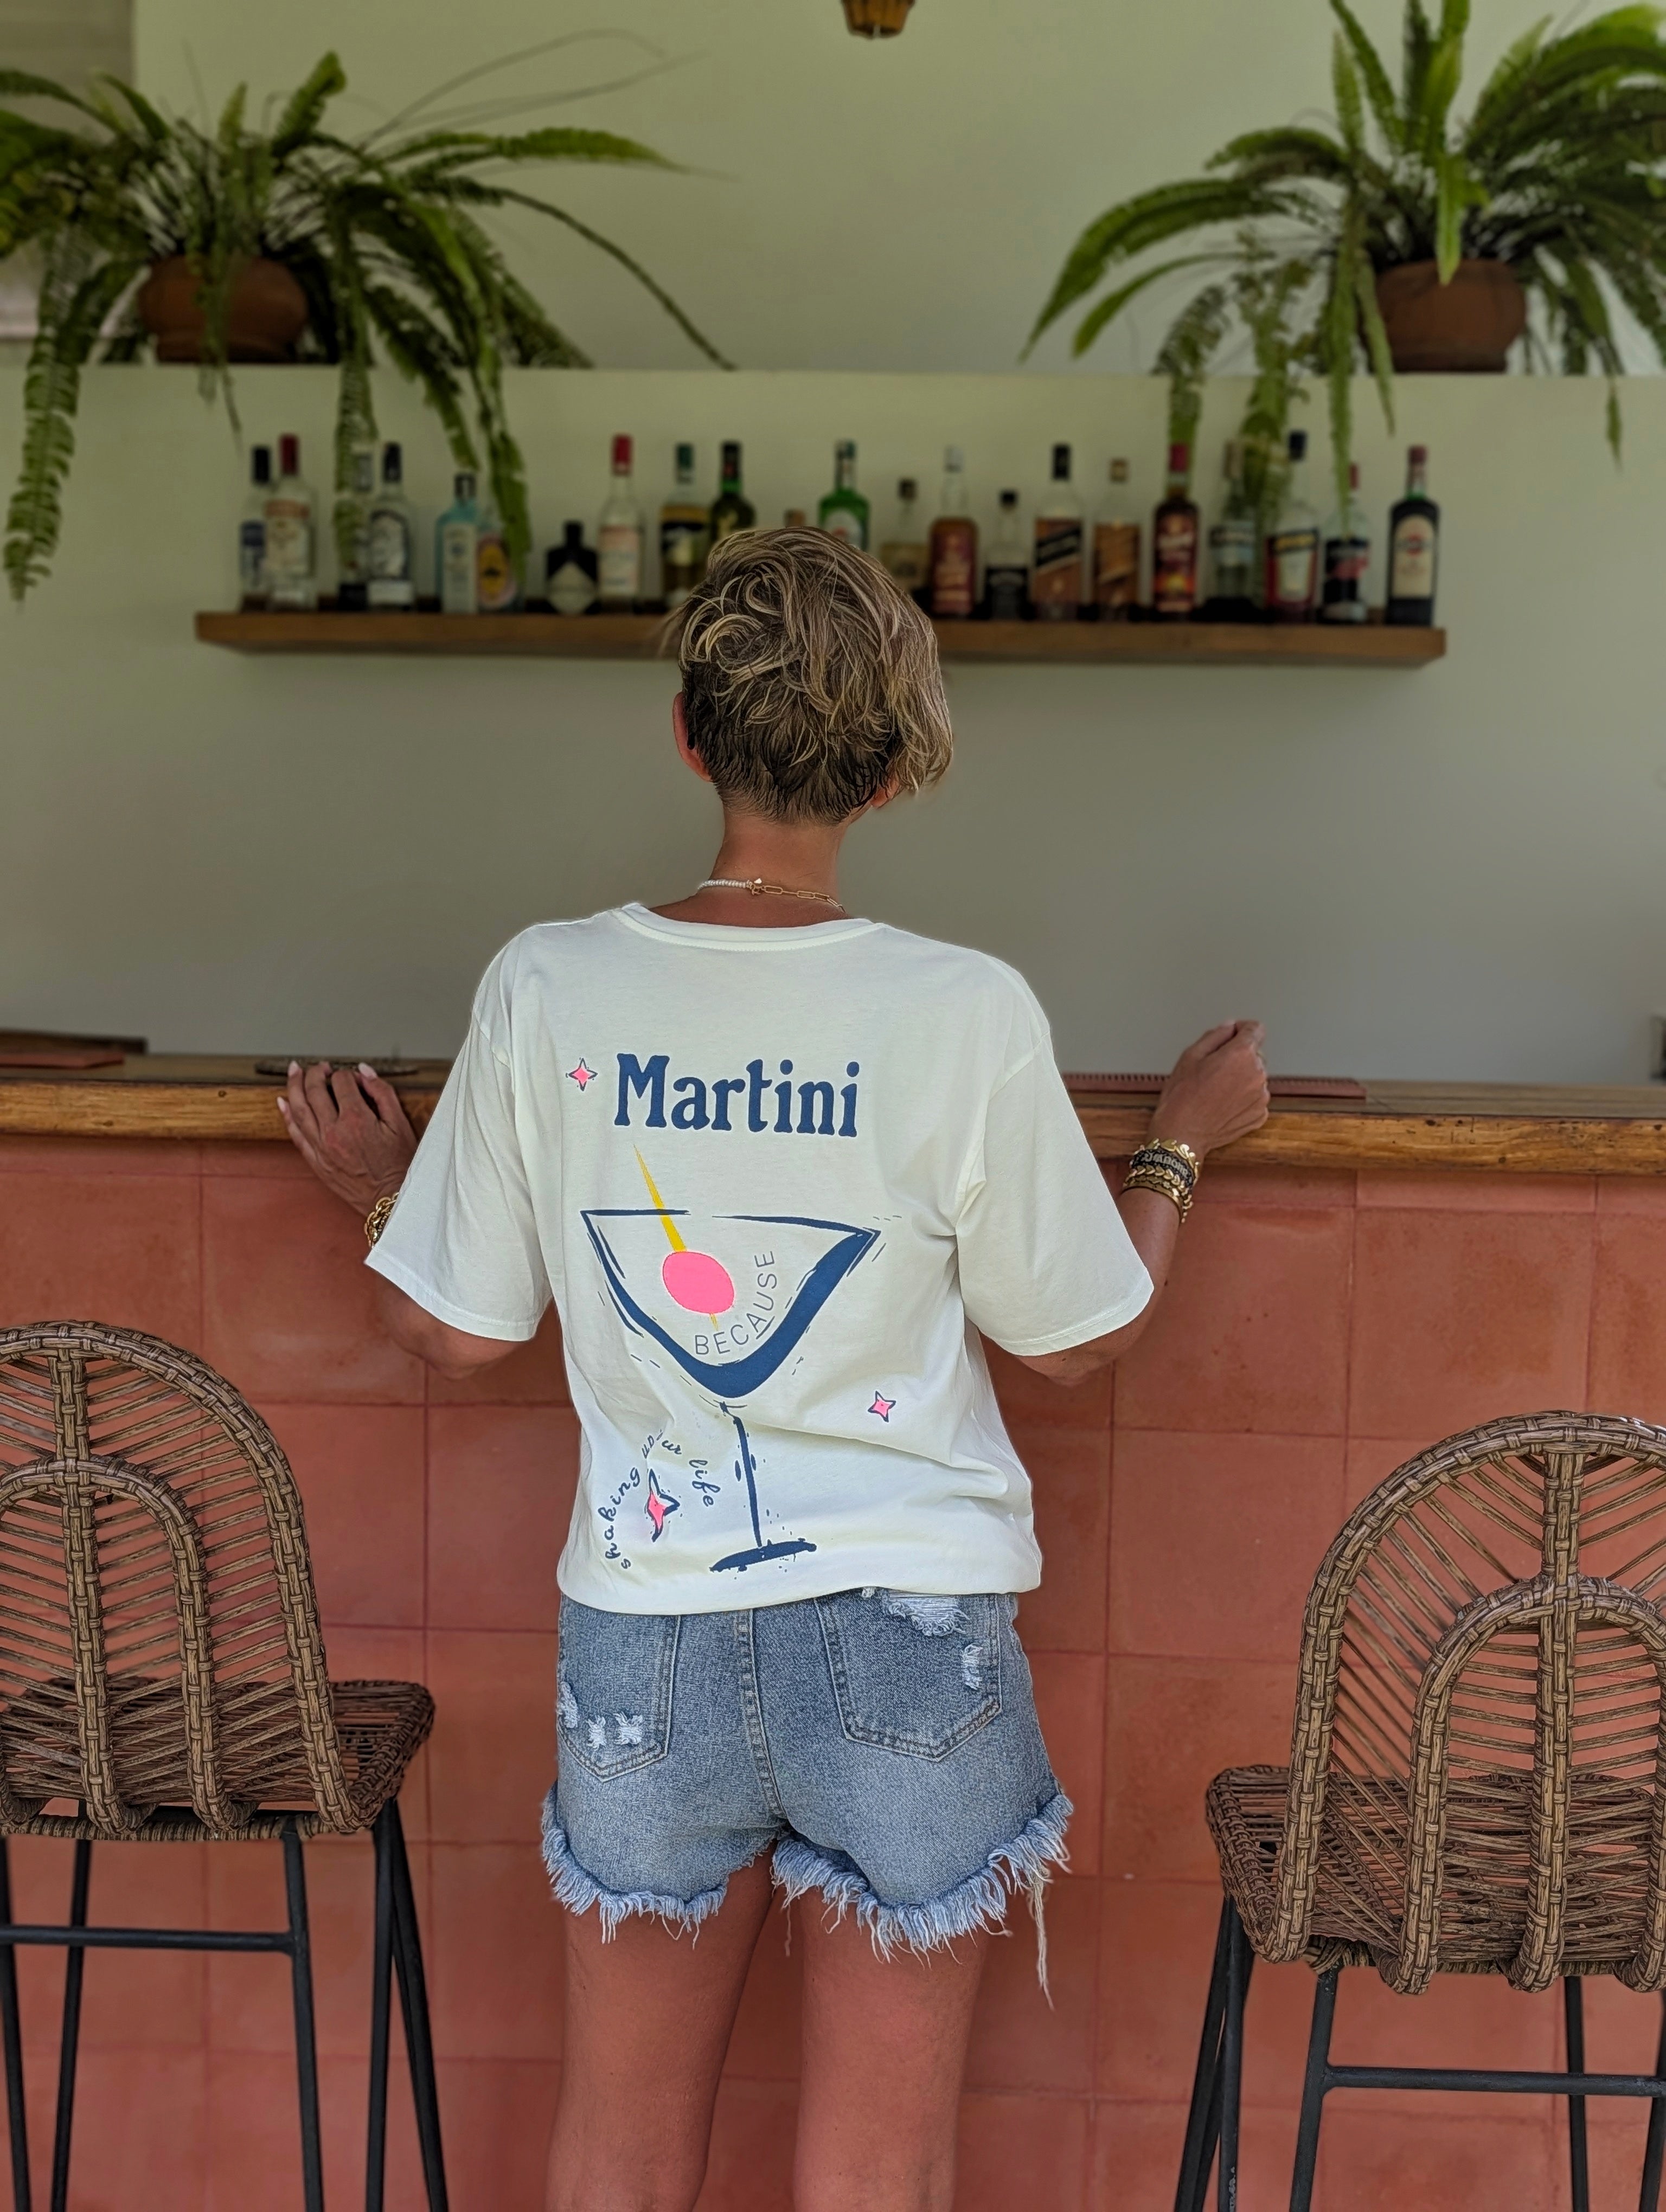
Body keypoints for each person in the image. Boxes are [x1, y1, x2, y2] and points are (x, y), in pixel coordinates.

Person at [277, 526, 1268, 2212]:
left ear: (688, 735)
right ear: (887, 771)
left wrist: (390, 1195)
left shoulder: (548, 983)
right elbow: (1082, 1339)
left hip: (647, 1635)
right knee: (879, 2165)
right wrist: (1175, 1149)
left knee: (620, 2145)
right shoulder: (962, 1010)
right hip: (908, 1638)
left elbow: (458, 1329)